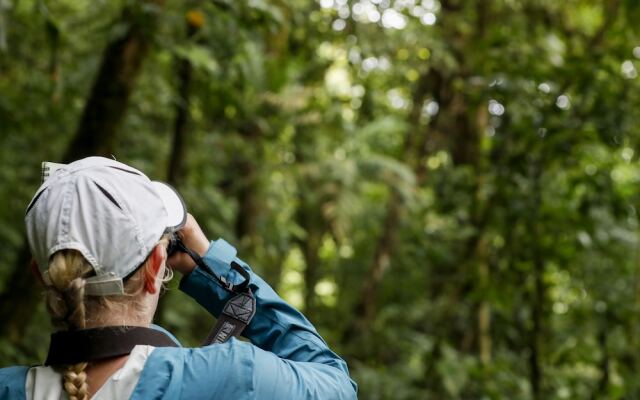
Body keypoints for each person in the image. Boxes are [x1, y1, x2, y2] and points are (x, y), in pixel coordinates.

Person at [0, 156, 357, 400]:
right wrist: (210, 265)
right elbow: (336, 383)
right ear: (157, 266)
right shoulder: (233, 377)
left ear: (40, 276)